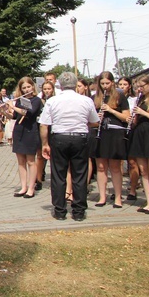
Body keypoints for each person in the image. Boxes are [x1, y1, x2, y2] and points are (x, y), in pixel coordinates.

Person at [40, 72, 100, 221]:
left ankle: (60, 210)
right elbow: (95, 121)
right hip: (79, 137)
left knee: (58, 175)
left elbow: (44, 124)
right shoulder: (86, 100)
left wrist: (45, 144)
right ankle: (79, 212)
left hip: (59, 137)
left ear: (59, 84)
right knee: (79, 175)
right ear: (75, 84)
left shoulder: (52, 101)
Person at [90, 71, 130, 208]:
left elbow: (126, 117)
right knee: (101, 167)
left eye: (107, 83)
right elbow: (90, 120)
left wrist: (111, 110)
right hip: (100, 134)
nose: (105, 86)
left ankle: (118, 198)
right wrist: (96, 118)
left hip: (115, 133)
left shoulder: (120, 96)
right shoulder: (94, 98)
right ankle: (102, 197)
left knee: (115, 167)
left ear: (112, 83)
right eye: (102, 84)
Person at [5, 77, 42, 198]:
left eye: (28, 87)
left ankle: (31, 188)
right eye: (24, 88)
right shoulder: (20, 100)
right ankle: (23, 187)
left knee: (31, 161)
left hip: (30, 131)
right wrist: (3, 112)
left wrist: (13, 106)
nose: (26, 89)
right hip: (19, 131)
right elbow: (15, 116)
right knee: (21, 162)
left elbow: (29, 113)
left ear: (33, 87)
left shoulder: (37, 100)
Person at [129, 76, 149, 213]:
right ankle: (148, 202)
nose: (140, 89)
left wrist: (142, 112)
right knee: (143, 170)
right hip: (140, 133)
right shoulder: (140, 99)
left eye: (142, 86)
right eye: (138, 87)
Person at [119, 76, 140, 202]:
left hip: (131, 130)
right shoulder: (115, 98)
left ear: (129, 86)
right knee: (118, 163)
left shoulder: (134, 100)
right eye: (120, 84)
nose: (122, 87)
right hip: (118, 130)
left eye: (124, 84)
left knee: (132, 162)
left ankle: (132, 189)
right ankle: (118, 189)